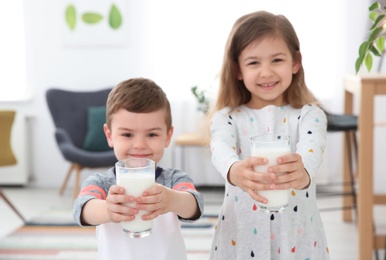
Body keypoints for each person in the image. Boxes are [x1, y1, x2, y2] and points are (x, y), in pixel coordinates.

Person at [208, 11, 329, 259]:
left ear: (295, 62)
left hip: (297, 236)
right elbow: (220, 148)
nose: (266, 72)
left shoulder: (310, 115)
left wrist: (302, 170)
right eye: (253, 63)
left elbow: (311, 150)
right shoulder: (226, 118)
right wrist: (234, 170)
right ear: (237, 69)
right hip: (240, 236)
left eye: (277, 60)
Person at [73, 77, 204, 260]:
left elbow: (195, 205)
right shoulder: (102, 183)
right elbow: (81, 209)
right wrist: (107, 210)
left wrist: (172, 200)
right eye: (127, 134)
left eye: (152, 134)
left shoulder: (174, 180)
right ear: (110, 136)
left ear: (167, 136)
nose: (140, 145)